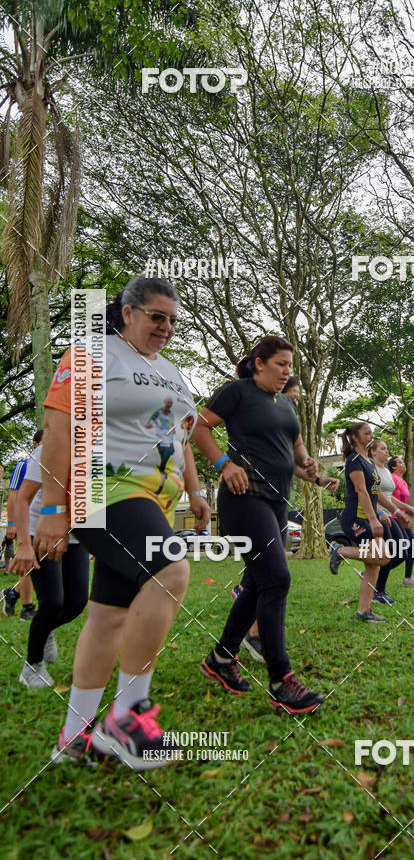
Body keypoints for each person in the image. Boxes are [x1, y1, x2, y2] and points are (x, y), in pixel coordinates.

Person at [34, 276, 211, 767]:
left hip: (153, 500)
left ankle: (74, 737)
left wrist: (195, 492)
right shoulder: (94, 353)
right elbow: (57, 428)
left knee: (108, 615)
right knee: (170, 571)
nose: (167, 327)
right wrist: (51, 509)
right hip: (102, 491)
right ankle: (126, 718)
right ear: (127, 312)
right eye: (157, 317)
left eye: (173, 320)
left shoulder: (172, 371)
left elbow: (181, 433)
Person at [193, 336, 324, 714]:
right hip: (244, 498)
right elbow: (199, 429)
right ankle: (282, 680)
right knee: (277, 580)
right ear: (258, 363)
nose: (287, 372)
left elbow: (296, 447)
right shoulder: (236, 392)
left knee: (256, 583)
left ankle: (220, 658)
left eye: (289, 365)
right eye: (281, 364)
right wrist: (223, 464)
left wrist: (309, 461)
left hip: (276, 503)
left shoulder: (286, 403)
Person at [235, 374, 339, 663]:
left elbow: (291, 463)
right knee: (271, 572)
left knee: (267, 572)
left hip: (277, 502)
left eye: (297, 398)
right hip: (252, 500)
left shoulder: (285, 421)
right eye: (292, 396)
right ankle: (254, 635)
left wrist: (318, 478)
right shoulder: (256, 415)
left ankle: (232, 643)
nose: (294, 401)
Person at [10, 440, 89, 688]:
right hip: (39, 531)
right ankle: (32, 666)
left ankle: (47, 630)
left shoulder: (100, 453)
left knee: (77, 602)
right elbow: (22, 499)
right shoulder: (47, 450)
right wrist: (23, 545)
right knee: (52, 601)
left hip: (76, 535)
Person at [328, 423, 396, 622]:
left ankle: (363, 611)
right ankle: (340, 551)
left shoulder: (367, 461)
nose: (371, 436)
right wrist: (374, 519)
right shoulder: (354, 460)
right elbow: (361, 491)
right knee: (382, 557)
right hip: (355, 519)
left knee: (374, 563)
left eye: (371, 433)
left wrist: (395, 511)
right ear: (355, 438)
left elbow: (376, 493)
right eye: (367, 433)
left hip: (367, 517)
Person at [369, 440, 414, 602]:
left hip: (391, 515)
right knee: (390, 552)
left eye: (387, 448)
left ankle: (373, 576)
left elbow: (389, 497)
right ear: (373, 452)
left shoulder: (386, 472)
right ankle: (377, 590)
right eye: (382, 448)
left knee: (403, 552)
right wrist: (380, 512)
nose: (386, 451)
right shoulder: (370, 469)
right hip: (380, 516)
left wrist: (406, 509)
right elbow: (371, 495)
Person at [2, 431, 43, 621]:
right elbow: (13, 496)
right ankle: (28, 608)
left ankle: (12, 592)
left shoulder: (53, 463)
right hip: (25, 522)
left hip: (46, 522)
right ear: (35, 444)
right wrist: (11, 524)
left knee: (40, 565)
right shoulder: (23, 466)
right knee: (28, 563)